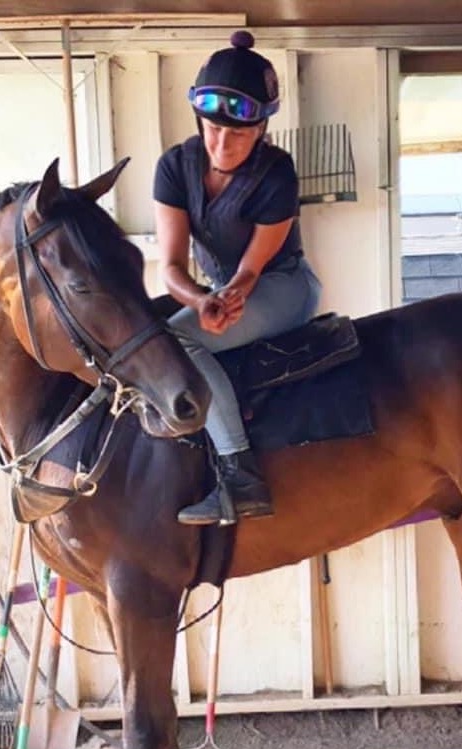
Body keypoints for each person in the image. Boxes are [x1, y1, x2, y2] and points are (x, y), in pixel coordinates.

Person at [154, 30, 322, 526]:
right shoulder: (173, 166)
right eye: (212, 129)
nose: (222, 144)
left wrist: (224, 300)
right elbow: (171, 268)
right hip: (217, 290)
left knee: (178, 341)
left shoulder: (278, 173)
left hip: (283, 286)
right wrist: (203, 299)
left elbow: (251, 268)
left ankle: (240, 475)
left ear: (262, 130)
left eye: (239, 135)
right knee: (149, 332)